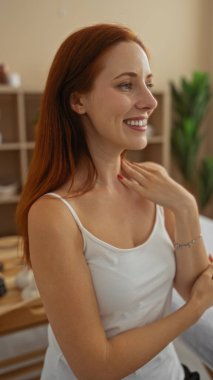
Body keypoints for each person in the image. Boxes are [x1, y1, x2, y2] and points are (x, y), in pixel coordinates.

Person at [16, 23, 213, 380]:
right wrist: (193, 310)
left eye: (148, 84)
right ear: (78, 100)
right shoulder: (54, 215)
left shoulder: (152, 182)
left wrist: (184, 207)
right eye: (126, 85)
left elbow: (194, 282)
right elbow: (95, 367)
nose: (150, 101)